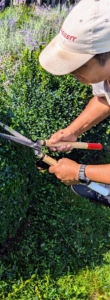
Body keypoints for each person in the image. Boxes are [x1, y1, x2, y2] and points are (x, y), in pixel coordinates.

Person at [39, 0, 110, 206]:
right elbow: (104, 98)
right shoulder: (104, 74)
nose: (71, 72)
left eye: (79, 64)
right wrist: (73, 131)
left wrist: (80, 172)